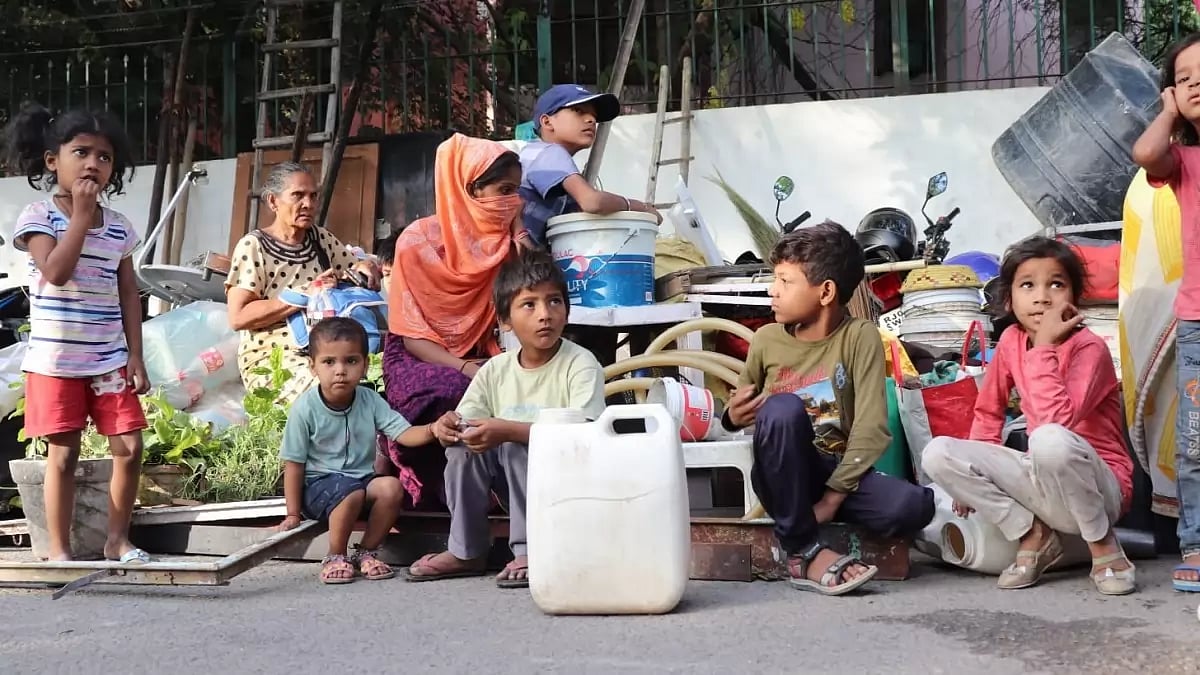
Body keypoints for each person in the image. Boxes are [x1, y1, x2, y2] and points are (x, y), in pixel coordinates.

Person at [722, 221, 934, 596]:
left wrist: (833, 500)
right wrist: (732, 417)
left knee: (913, 506)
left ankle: (804, 525)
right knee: (782, 409)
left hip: (837, 474)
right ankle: (803, 549)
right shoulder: (767, 340)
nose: (773, 291)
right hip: (784, 475)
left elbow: (871, 428)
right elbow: (743, 407)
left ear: (826, 292)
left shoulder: (860, 336)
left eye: (786, 282)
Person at [922, 237, 1136, 595]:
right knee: (938, 454)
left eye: (1056, 284)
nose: (1042, 296)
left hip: (1099, 487)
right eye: (1028, 285)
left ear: (1074, 296)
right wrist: (969, 481)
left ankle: (1103, 545)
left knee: (1048, 439)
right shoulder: (1010, 342)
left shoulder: (1089, 348)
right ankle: (1031, 532)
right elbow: (989, 411)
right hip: (1042, 476)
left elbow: (1058, 421)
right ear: (1009, 299)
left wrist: (1046, 348)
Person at [4, 103, 151, 563]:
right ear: (53, 161)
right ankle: (60, 550)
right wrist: (82, 218)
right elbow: (57, 271)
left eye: (104, 157)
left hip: (107, 357)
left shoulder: (121, 228)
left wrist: (136, 355)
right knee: (63, 456)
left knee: (129, 446)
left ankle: (116, 540)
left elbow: (129, 295)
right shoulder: (39, 216)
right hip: (55, 362)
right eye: (81, 152)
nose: (93, 164)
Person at [407, 250, 605, 588]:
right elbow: (466, 420)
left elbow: (585, 435)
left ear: (567, 311)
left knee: (515, 445)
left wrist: (509, 430)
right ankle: (467, 550)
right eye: (529, 305)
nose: (545, 314)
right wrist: (450, 428)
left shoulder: (580, 364)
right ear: (504, 321)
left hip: (569, 483)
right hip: (511, 485)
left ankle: (530, 550)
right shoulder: (496, 370)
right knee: (462, 449)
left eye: (554, 302)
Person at [379, 134, 528, 511]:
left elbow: (531, 286)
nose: (512, 201)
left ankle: (483, 492)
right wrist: (464, 366)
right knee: (452, 392)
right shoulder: (417, 242)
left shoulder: (502, 247)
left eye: (517, 192)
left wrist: (519, 229)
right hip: (418, 354)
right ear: (469, 190)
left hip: (481, 351)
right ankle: (438, 483)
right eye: (503, 191)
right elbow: (412, 336)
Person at [277, 317, 438, 584]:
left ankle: (366, 552)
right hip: (318, 488)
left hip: (360, 482)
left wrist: (433, 429)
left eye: (351, 361)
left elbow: (403, 432)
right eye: (329, 362)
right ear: (313, 367)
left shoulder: (370, 400)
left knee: (391, 488)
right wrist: (293, 513)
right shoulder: (304, 409)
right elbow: (294, 464)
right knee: (349, 492)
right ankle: (335, 555)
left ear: (365, 366)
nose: (340, 370)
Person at [1132, 32, 1200, 593]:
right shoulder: (1183, 160)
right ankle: (1197, 542)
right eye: (1183, 77)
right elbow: (1146, 154)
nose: (1195, 82)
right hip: (1199, 323)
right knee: (1195, 440)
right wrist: (1167, 112)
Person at [224, 162, 381, 404]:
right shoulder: (254, 246)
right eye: (297, 195)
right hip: (273, 355)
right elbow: (238, 316)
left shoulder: (320, 239)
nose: (308, 204)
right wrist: (304, 296)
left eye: (313, 196)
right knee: (334, 389)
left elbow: (352, 268)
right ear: (273, 202)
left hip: (329, 347)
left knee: (382, 375)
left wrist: (365, 267)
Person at [518, 83, 661, 247]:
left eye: (593, 115)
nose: (591, 119)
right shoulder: (550, 153)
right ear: (547, 122)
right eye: (578, 111)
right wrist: (639, 207)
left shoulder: (534, 153)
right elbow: (592, 202)